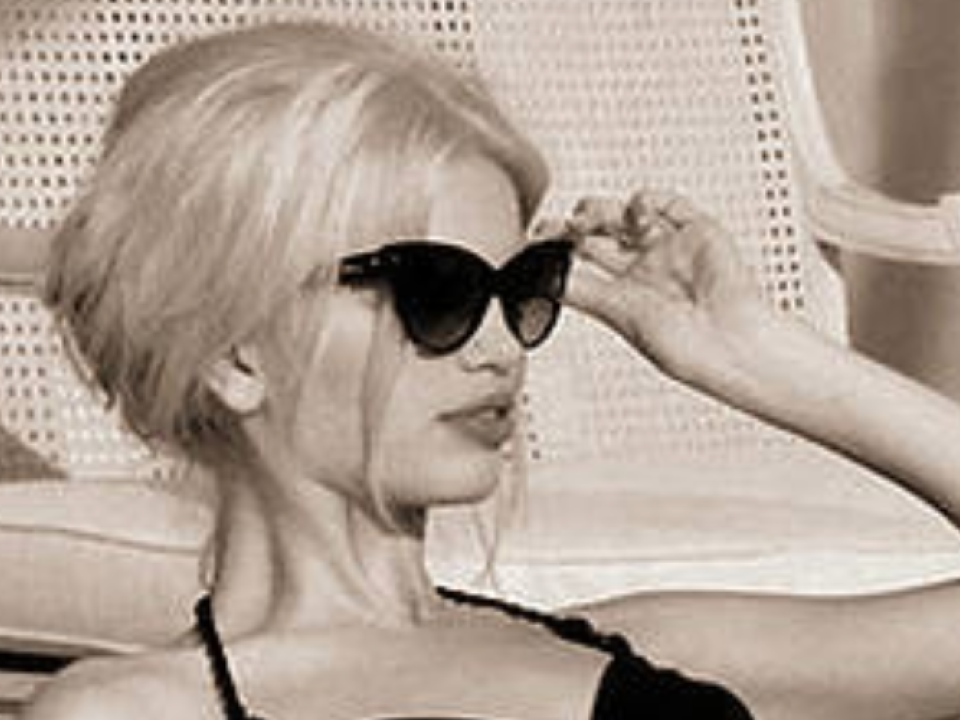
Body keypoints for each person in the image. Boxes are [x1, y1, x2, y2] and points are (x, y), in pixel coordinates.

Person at [22, 19, 960, 720]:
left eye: (520, 287)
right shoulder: (127, 711)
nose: (502, 346)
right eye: (440, 291)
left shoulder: (646, 652)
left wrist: (754, 353)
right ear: (233, 354)